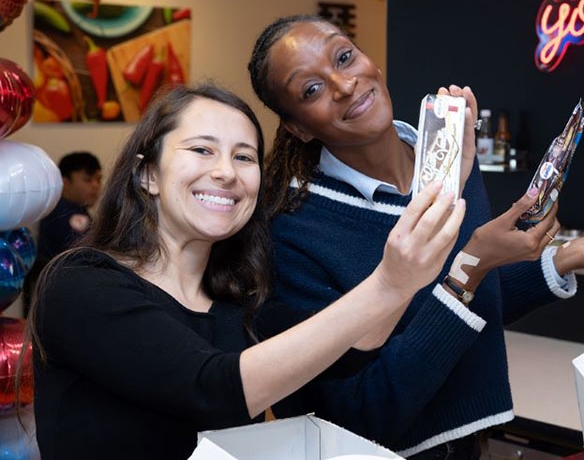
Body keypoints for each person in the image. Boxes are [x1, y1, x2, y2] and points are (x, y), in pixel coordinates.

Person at [247, 15, 584, 459]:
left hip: (471, 447)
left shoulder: (450, 155)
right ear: (298, 127)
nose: (345, 84)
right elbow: (357, 415)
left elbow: (459, 300)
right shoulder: (292, 231)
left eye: (345, 56)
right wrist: (470, 264)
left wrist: (567, 258)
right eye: (310, 89)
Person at [23, 83, 466, 460]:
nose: (226, 173)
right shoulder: (80, 282)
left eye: (244, 157)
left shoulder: (238, 300)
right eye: (202, 150)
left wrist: (431, 225)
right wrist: (388, 283)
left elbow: (353, 348)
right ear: (147, 176)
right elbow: (213, 386)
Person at [25, 152, 103, 314]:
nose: (96, 186)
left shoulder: (77, 210)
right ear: (65, 182)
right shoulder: (66, 214)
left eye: (98, 179)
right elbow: (85, 253)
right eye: (88, 180)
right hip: (65, 289)